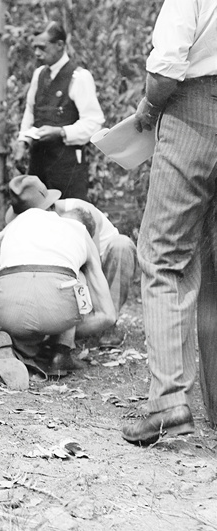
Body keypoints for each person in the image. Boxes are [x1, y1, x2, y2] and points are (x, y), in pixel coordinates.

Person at [124, 0, 217, 445]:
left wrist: (146, 108)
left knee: (163, 257)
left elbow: (164, 73)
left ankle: (168, 404)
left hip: (196, 112)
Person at [0, 176, 136, 348]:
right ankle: (59, 331)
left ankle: (103, 328)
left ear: (50, 207)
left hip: (99, 271)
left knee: (122, 244)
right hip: (60, 284)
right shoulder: (24, 222)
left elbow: (91, 265)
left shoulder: (78, 213)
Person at [14, 21, 104, 200]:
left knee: (67, 219)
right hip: (39, 164)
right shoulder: (39, 74)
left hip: (67, 167)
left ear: (60, 45)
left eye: (42, 47)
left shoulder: (79, 77)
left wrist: (61, 132)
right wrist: (22, 141)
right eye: (35, 48)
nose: (37, 53)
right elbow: (30, 111)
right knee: (38, 216)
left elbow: (94, 123)